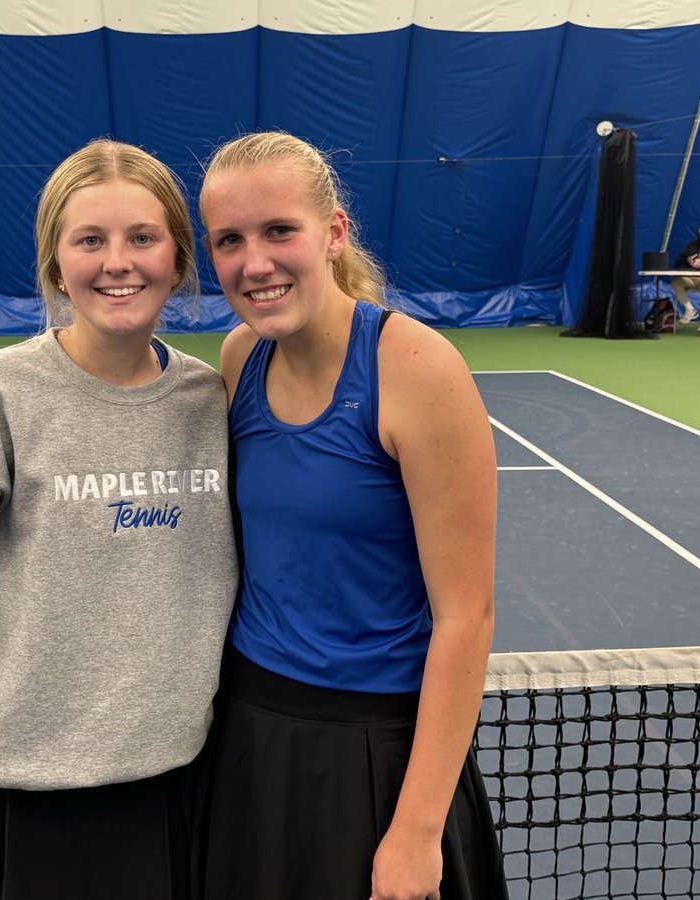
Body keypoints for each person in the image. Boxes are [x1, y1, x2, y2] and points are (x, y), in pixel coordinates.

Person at [0, 139, 237, 900]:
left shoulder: (212, 404)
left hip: (185, 794)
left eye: (142, 237)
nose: (118, 262)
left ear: (177, 257)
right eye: (89, 240)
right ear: (53, 264)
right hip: (27, 807)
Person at [195, 131, 508, 900]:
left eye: (279, 231)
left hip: (379, 756)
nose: (254, 263)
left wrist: (415, 830)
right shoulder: (239, 359)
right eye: (229, 241)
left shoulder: (418, 370)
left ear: (334, 233)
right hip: (250, 733)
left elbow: (466, 616)